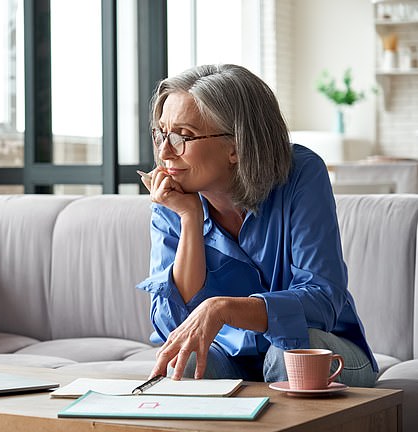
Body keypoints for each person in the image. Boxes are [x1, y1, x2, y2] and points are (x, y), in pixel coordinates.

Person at [136, 64, 378, 387]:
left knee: (287, 355)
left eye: (183, 136)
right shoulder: (173, 197)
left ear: (235, 146)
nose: (165, 152)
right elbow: (173, 326)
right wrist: (190, 220)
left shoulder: (302, 175)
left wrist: (223, 309)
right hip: (230, 357)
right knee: (185, 362)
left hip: (324, 349)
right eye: (161, 133)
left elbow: (323, 299)